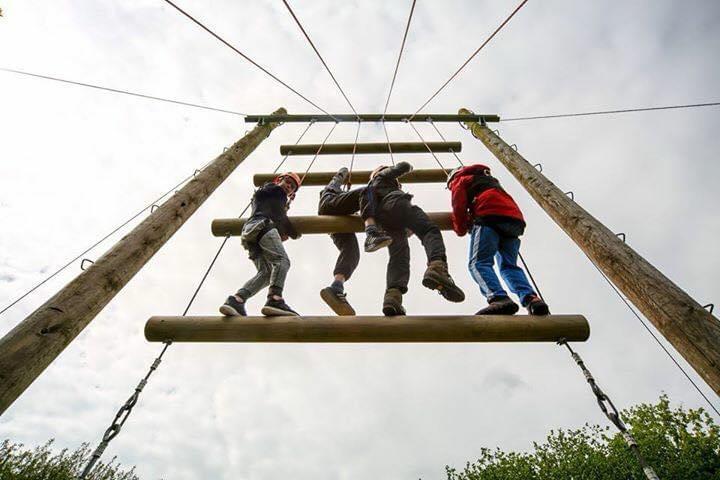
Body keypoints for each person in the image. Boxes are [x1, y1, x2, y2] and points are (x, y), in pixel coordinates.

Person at [360, 161, 465, 316]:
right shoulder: (382, 176)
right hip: (397, 203)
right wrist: (407, 167)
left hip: (385, 219)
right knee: (429, 231)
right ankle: (437, 267)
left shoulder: (371, 191)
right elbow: (402, 166)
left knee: (399, 256)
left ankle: (393, 297)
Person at [447, 164, 549, 315]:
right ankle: (531, 299)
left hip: (488, 216)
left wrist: (461, 228)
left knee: (478, 263)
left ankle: (498, 298)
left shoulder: (460, 180)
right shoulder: (488, 179)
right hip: (513, 221)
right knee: (509, 266)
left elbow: (458, 205)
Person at [219, 172, 302, 317]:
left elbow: (273, 211)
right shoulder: (276, 190)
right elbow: (279, 214)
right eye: (288, 182)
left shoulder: (265, 193)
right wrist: (294, 233)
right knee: (282, 261)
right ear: (279, 180)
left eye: (292, 187)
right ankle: (275, 299)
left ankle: (237, 300)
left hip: (250, 233)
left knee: (266, 273)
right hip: (262, 226)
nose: (289, 186)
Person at [317, 167, 393, 315]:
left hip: (340, 218)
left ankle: (336, 288)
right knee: (367, 190)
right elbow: (337, 179)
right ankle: (372, 233)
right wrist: (343, 172)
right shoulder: (333, 190)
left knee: (352, 252)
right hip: (329, 204)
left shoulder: (358, 202)